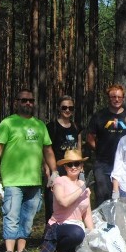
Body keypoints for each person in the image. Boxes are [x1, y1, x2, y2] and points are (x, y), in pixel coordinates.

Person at [0, 88, 57, 252]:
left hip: (33, 180)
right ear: (16, 102)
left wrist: (54, 172)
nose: (28, 103)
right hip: (13, 180)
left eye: (31, 101)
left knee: (28, 217)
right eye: (24, 100)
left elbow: (47, 150)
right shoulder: (8, 123)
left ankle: (21, 250)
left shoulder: (40, 125)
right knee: (11, 214)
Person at [35, 149, 94, 252]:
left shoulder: (85, 187)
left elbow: (86, 214)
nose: (73, 167)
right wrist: (82, 189)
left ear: (81, 166)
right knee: (77, 234)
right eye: (69, 164)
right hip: (59, 225)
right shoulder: (59, 181)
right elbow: (64, 202)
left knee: (87, 235)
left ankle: (69, 251)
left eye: (76, 164)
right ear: (65, 167)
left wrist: (93, 232)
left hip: (78, 225)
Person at [86, 84, 126, 205]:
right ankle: (102, 222)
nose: (116, 99)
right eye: (113, 97)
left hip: (124, 164)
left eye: (119, 97)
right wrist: (99, 150)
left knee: (122, 197)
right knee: (103, 196)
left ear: (123, 98)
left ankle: (119, 223)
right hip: (103, 163)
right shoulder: (99, 116)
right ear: (108, 98)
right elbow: (90, 137)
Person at [44, 95, 81, 223]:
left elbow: (79, 148)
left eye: (70, 108)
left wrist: (81, 169)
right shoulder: (51, 127)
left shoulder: (76, 127)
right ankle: (50, 231)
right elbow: (46, 150)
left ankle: (68, 228)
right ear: (59, 109)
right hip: (57, 168)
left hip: (73, 168)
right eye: (64, 107)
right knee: (53, 201)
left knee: (72, 199)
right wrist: (48, 170)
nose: (67, 110)